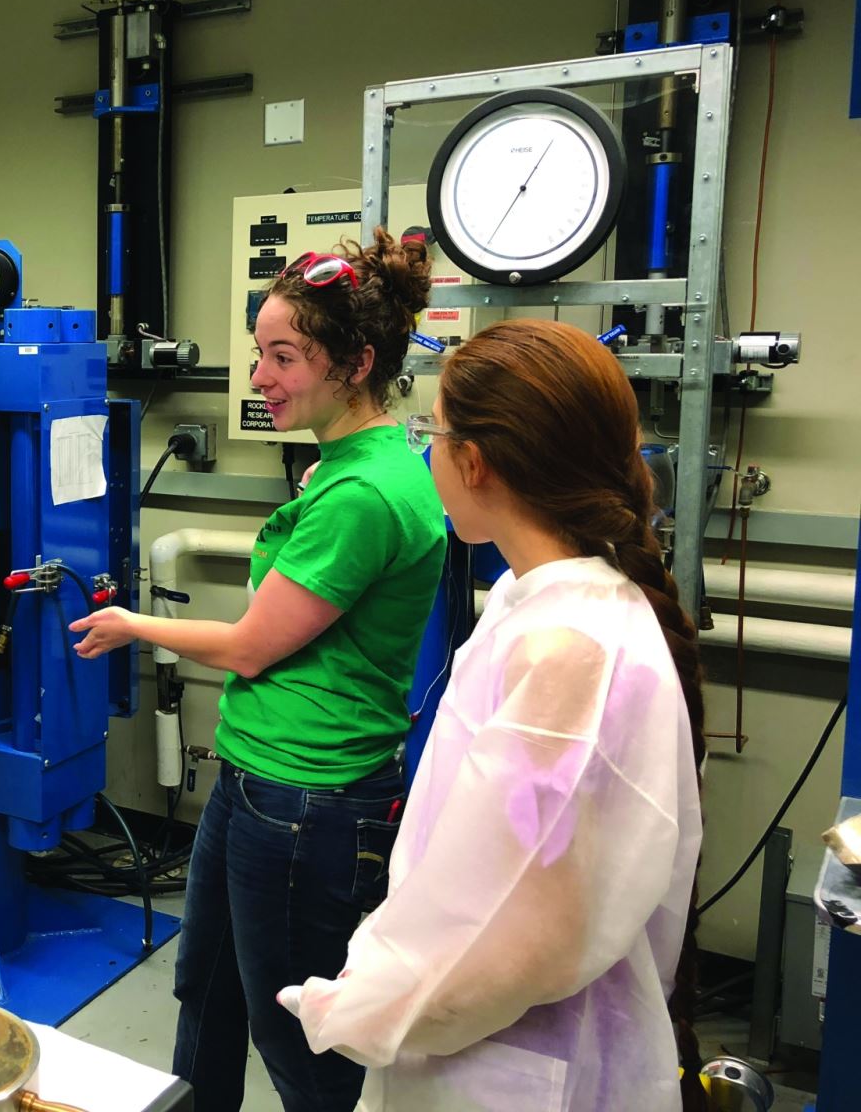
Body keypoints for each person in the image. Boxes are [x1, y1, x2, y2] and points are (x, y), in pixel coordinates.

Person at [278, 318, 706, 1112]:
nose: (426, 449)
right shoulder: (543, 598)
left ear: (472, 462)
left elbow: (513, 945)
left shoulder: (565, 653)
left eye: (429, 433)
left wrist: (366, 1007)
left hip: (512, 1063)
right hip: (507, 1041)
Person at [70, 228, 446, 1112]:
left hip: (308, 799)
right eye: (259, 354)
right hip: (256, 774)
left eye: (285, 357)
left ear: (355, 363)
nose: (261, 377)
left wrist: (134, 624)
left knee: (297, 1032)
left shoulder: (361, 493)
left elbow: (249, 645)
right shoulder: (345, 468)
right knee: (206, 989)